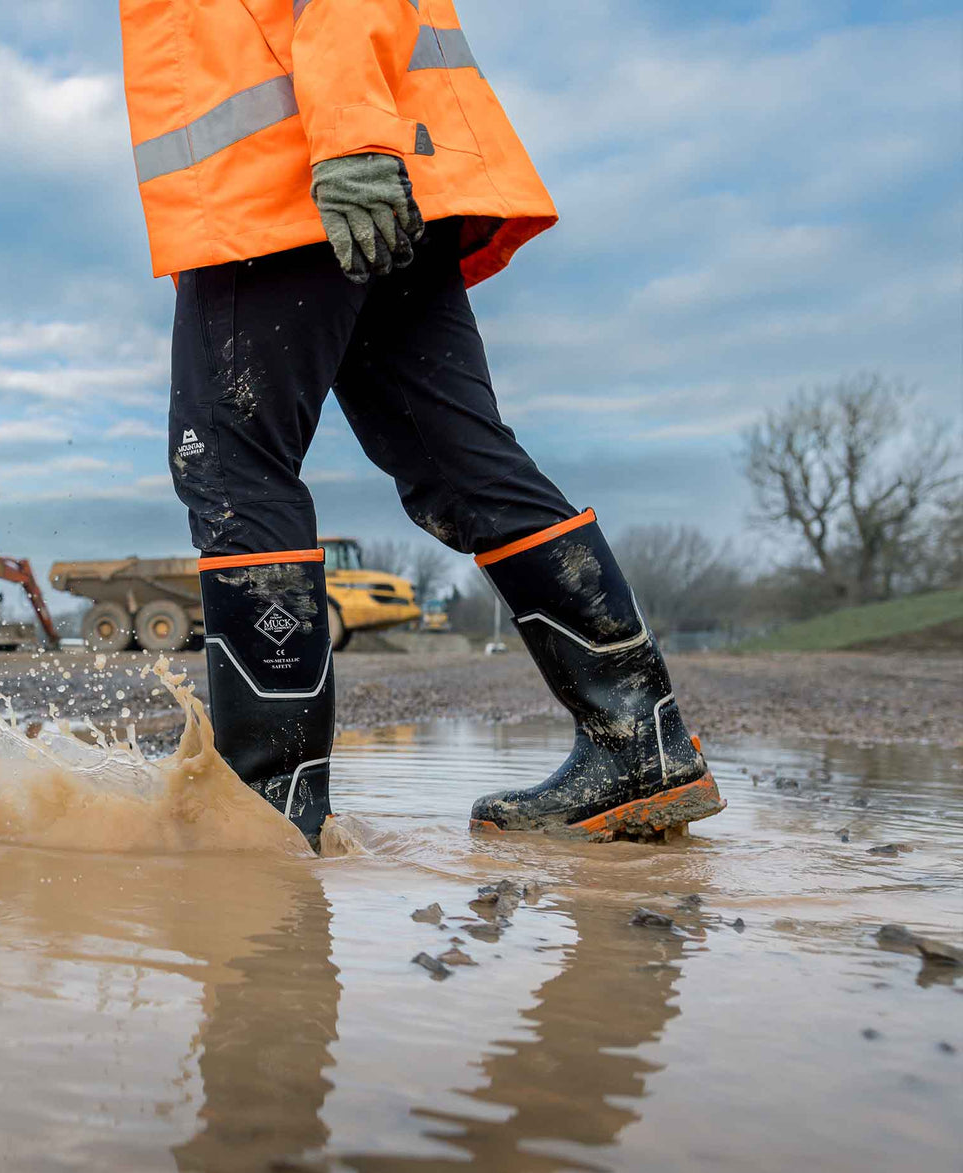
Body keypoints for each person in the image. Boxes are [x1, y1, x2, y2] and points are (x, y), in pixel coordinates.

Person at [118, 1, 724, 844]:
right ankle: (640, 748)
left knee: (233, 468)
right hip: (370, 178)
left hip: (291, 186)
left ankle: (263, 812)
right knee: (461, 466)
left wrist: (351, 144)